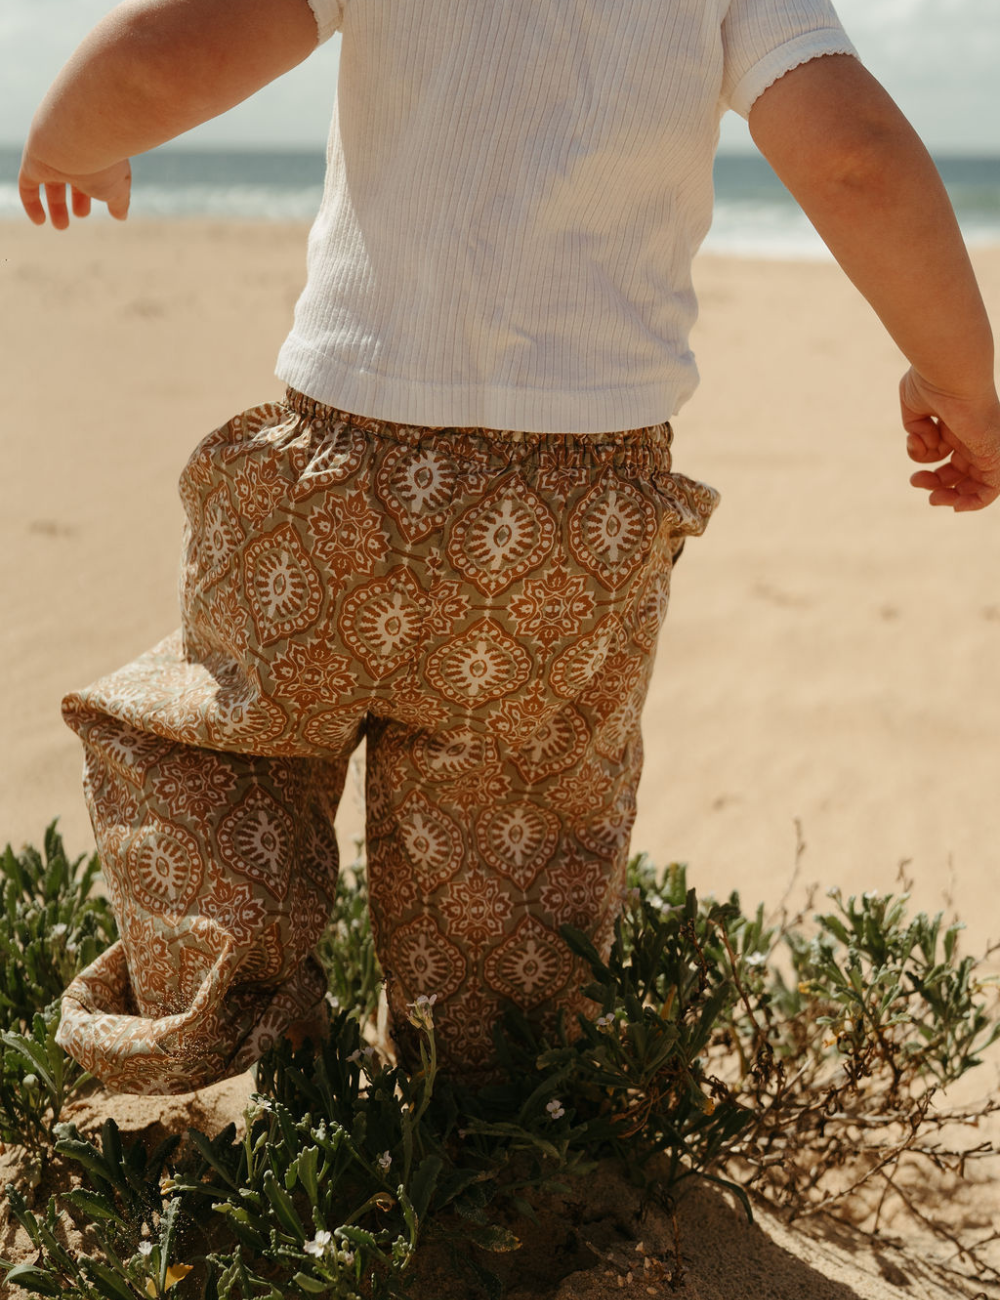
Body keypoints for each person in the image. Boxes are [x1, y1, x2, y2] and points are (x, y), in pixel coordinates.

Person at [19, 0, 1000, 1095]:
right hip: (572, 521)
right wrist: (958, 378)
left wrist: (72, 138)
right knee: (519, 844)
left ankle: (229, 1063)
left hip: (338, 473)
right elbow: (851, 154)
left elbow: (191, 39)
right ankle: (492, 1116)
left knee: (221, 751)